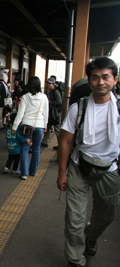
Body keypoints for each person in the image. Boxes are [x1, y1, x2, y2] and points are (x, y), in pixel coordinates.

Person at [57, 57, 120, 267]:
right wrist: (62, 172)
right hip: (79, 167)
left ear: (115, 80)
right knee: (74, 220)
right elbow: (65, 142)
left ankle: (91, 236)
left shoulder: (118, 109)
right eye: (95, 78)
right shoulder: (79, 108)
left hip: (110, 168)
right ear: (89, 81)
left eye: (105, 77)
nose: (100, 82)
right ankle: (75, 259)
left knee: (107, 215)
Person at [11, 76, 48, 180]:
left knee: (25, 149)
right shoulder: (44, 97)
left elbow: (20, 113)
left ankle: (24, 173)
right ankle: (33, 172)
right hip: (39, 126)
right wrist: (45, 125)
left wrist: (14, 126)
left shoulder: (25, 97)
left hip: (26, 126)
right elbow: (46, 112)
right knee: (36, 149)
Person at [42, 77, 62, 149]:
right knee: (48, 126)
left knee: (57, 129)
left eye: (49, 83)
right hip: (51, 112)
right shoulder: (50, 91)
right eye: (48, 83)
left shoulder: (55, 92)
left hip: (55, 112)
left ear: (53, 84)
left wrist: (50, 102)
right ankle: (45, 141)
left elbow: (59, 102)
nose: (48, 85)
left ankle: (60, 144)